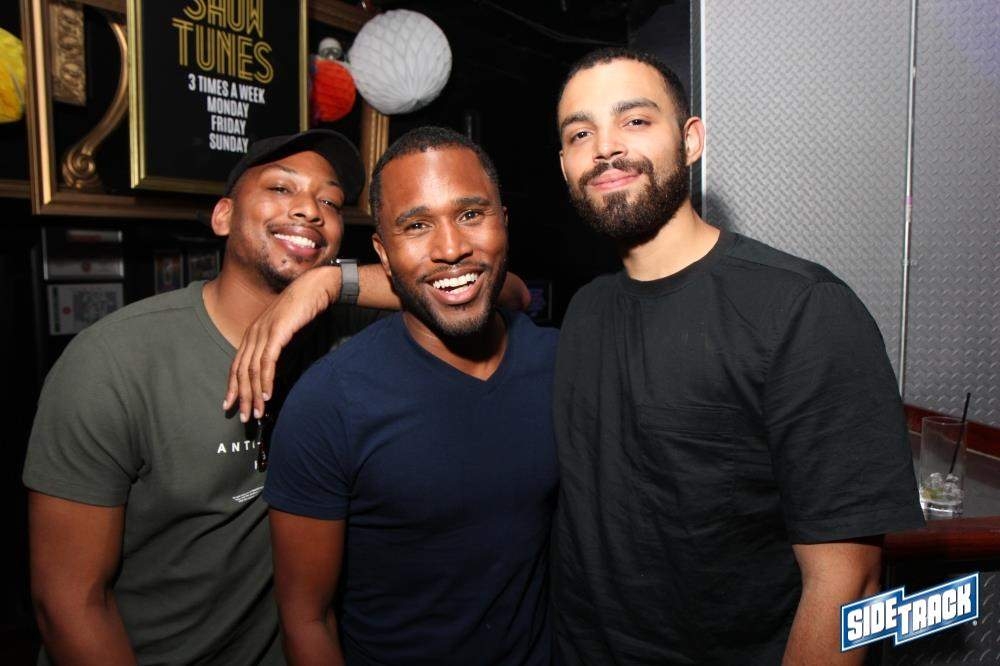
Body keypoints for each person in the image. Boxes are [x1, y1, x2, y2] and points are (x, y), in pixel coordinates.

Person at [23, 128, 529, 665]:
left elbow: (507, 291)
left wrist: (329, 284)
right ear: (223, 216)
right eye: (281, 189)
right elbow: (67, 603)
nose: (310, 209)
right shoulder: (117, 360)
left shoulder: (345, 334)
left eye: (330, 201)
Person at [550, 47, 924, 664]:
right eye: (580, 134)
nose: (606, 147)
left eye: (635, 120)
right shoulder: (585, 311)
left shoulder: (802, 309)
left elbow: (849, 583)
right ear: (566, 166)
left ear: (690, 140)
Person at [262, 126, 558, 665]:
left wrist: (332, 282)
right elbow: (306, 620)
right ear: (383, 252)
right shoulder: (330, 404)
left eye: (471, 214)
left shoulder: (562, 364)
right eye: (416, 226)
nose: (451, 248)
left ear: (503, 222)